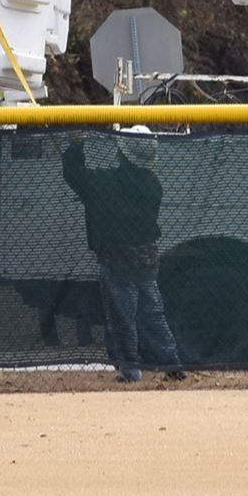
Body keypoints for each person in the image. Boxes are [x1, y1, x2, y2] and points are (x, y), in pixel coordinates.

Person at [62, 133, 186, 382]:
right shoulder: (153, 185)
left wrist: (76, 145)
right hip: (146, 257)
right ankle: (173, 363)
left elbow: (75, 174)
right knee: (154, 313)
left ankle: (130, 370)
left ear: (122, 154)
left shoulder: (103, 183)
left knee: (122, 316)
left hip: (116, 258)